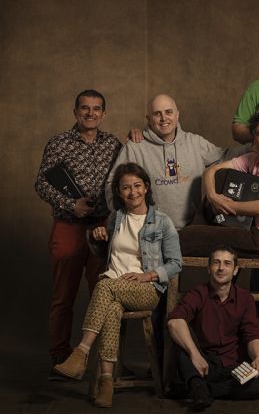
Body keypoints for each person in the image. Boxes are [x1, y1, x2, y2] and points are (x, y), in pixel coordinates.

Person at [52, 162, 182, 407]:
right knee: (111, 308)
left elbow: (176, 263)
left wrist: (149, 275)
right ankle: (107, 382)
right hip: (114, 287)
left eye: (137, 186)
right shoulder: (116, 218)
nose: (132, 192)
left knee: (103, 286)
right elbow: (104, 253)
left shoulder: (162, 222)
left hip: (146, 291)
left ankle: (81, 352)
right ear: (119, 193)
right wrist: (97, 237)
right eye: (125, 188)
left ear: (146, 188)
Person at [35, 89, 122, 379]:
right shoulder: (59, 143)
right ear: (75, 112)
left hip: (103, 229)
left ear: (103, 114)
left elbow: (125, 180)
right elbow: (42, 185)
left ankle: (104, 362)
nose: (90, 113)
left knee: (105, 297)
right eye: (84, 108)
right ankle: (60, 358)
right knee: (63, 297)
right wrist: (72, 205)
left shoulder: (113, 144)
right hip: (69, 227)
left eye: (96, 109)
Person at [179, 111, 259, 295]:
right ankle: (197, 232)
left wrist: (226, 205)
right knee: (220, 177)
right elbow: (212, 171)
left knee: (185, 238)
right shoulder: (254, 158)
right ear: (254, 138)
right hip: (250, 230)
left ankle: (183, 247)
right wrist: (213, 196)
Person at [108, 94, 247, 230]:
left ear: (177, 115)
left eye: (168, 112)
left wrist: (254, 147)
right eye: (157, 114)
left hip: (192, 229)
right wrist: (126, 220)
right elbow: (112, 184)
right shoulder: (135, 148)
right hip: (152, 230)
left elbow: (224, 155)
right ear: (148, 119)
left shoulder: (194, 142)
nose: (164, 118)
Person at [167, 245, 259, 411]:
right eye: (216, 263)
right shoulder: (198, 293)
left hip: (233, 365)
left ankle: (197, 389)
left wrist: (257, 358)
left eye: (227, 263)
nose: (221, 268)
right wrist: (195, 354)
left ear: (235, 270)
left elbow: (252, 334)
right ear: (209, 268)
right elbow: (174, 321)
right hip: (203, 362)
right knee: (181, 333)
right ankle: (198, 387)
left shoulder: (245, 298)